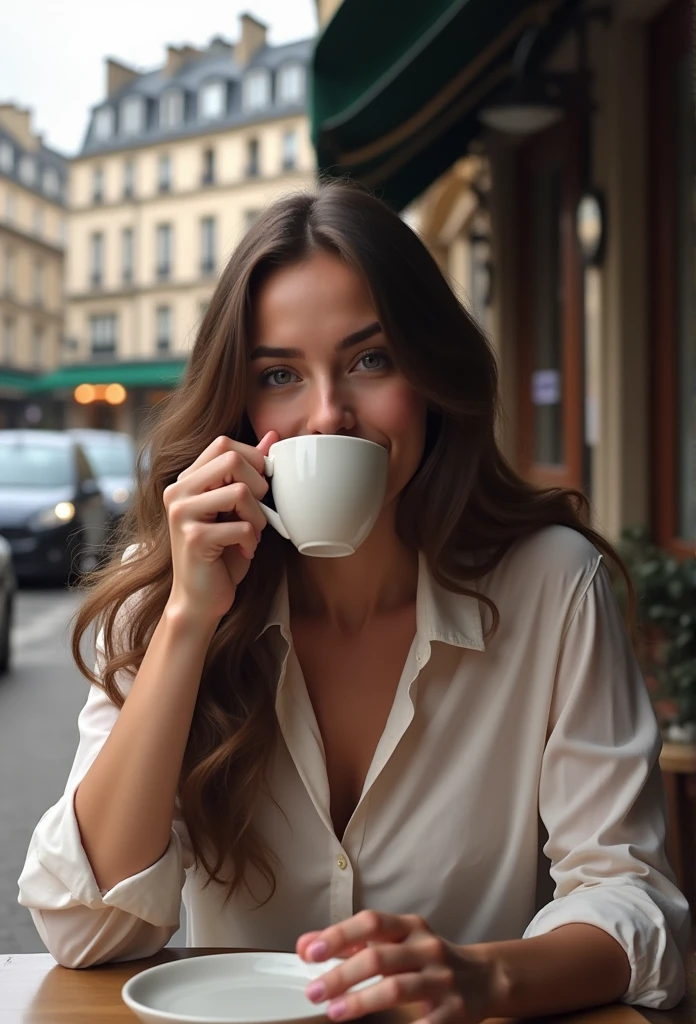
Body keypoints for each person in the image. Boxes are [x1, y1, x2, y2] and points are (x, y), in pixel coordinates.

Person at [18, 181, 688, 1021]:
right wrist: (187, 625)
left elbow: (633, 900)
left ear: (431, 375)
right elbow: (85, 931)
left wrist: (485, 977)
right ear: (239, 402)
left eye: (371, 360)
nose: (328, 414)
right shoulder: (172, 592)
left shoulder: (552, 586)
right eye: (279, 375)